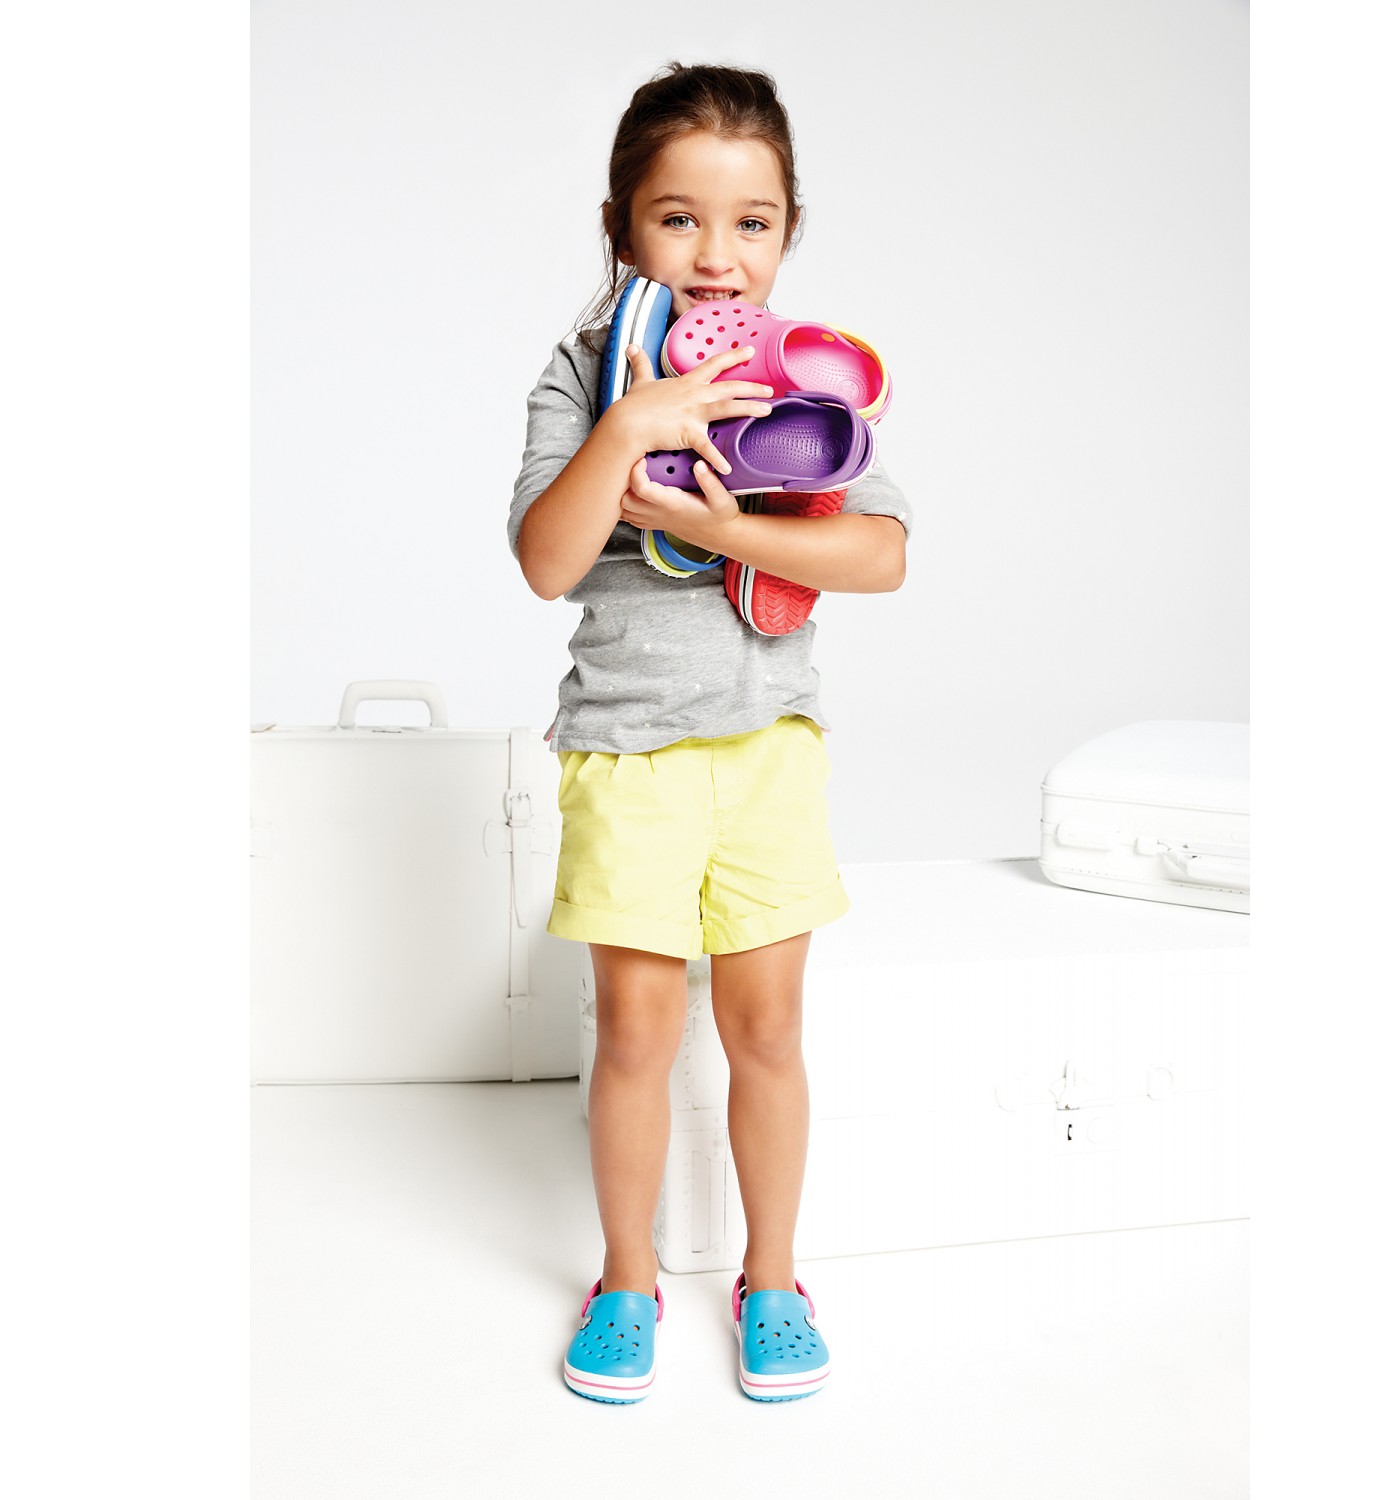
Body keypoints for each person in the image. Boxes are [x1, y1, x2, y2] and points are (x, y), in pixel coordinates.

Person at [508, 61, 912, 1404]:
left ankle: (772, 1280)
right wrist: (632, 423)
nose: (718, 256)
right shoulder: (582, 372)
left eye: (753, 223)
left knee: (767, 1028)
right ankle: (625, 1279)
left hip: (767, 743)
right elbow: (547, 562)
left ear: (788, 231)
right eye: (679, 218)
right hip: (628, 750)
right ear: (621, 226)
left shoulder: (805, 378)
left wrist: (722, 528)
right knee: (633, 1029)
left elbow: (880, 554)